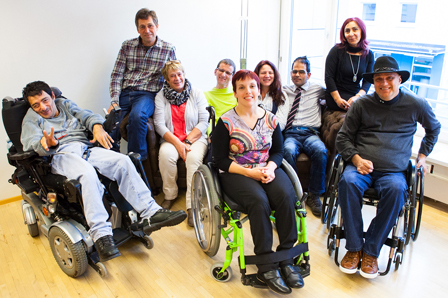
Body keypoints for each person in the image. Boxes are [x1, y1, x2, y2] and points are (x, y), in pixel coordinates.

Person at [21, 81, 187, 263]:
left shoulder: (65, 104)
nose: (43, 107)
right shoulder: (31, 119)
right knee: (87, 174)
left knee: (122, 161)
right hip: (61, 154)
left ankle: (151, 212)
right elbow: (32, 143)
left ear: (52, 96)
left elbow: (88, 116)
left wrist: (96, 127)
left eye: (45, 100)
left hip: (86, 148)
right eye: (36, 105)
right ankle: (101, 236)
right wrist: (46, 144)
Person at [336, 56, 441, 279]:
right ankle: (354, 248)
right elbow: (343, 138)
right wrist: (356, 160)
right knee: (348, 181)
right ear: (373, 82)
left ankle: (372, 250)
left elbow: (434, 128)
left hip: (394, 171)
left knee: (396, 190)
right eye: (379, 79)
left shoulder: (415, 104)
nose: (384, 84)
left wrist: (422, 156)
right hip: (361, 167)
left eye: (389, 78)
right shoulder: (362, 105)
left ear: (399, 79)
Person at [213, 70, 304, 295]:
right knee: (258, 200)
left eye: (252, 86)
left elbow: (278, 151)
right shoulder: (225, 121)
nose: (248, 91)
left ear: (258, 89)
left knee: (285, 195)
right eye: (242, 87)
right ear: (235, 92)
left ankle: (287, 257)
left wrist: (271, 168)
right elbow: (219, 159)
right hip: (235, 172)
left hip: (266, 168)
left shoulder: (271, 119)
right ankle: (266, 265)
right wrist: (250, 173)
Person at [109, 8, 176, 160]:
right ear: (137, 29)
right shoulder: (127, 46)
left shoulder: (168, 49)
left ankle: (137, 163)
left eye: (150, 25)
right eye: (142, 27)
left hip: (147, 94)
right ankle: (109, 166)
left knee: (138, 116)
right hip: (125, 93)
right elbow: (117, 75)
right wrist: (114, 101)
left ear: (157, 26)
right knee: (111, 124)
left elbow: (172, 76)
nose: (147, 30)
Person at [154, 61, 208, 227]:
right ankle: (170, 195)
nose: (177, 78)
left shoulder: (197, 93)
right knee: (165, 155)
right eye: (172, 76)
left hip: (196, 138)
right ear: (167, 80)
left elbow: (204, 121)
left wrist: (186, 141)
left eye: (179, 74)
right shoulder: (160, 96)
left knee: (192, 160)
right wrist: (178, 143)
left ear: (184, 75)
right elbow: (159, 124)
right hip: (171, 139)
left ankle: (193, 206)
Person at [281, 56, 327, 217]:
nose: (297, 74)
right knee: (287, 150)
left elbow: (333, 97)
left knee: (320, 150)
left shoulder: (318, 89)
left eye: (301, 72)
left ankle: (315, 195)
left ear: (308, 74)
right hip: (291, 132)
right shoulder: (285, 90)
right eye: (294, 71)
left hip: (310, 132)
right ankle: (294, 194)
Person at [325, 17, 374, 112]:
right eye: (347, 31)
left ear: (361, 31)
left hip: (356, 95)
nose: (351, 34)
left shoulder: (369, 54)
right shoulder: (336, 51)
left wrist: (358, 96)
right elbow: (328, 77)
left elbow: (368, 81)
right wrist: (338, 100)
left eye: (355, 29)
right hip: (335, 96)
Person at [254, 60, 289, 130]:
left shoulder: (281, 95)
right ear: (257, 75)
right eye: (263, 73)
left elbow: (280, 124)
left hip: (273, 135)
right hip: (251, 134)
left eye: (270, 73)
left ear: (275, 75)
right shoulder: (251, 94)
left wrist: (263, 131)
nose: (267, 76)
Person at [204, 59, 237, 132]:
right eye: (221, 70)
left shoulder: (237, 94)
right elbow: (206, 120)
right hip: (216, 134)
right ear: (215, 71)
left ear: (232, 76)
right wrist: (211, 135)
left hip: (235, 132)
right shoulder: (206, 95)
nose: (223, 74)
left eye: (228, 73)